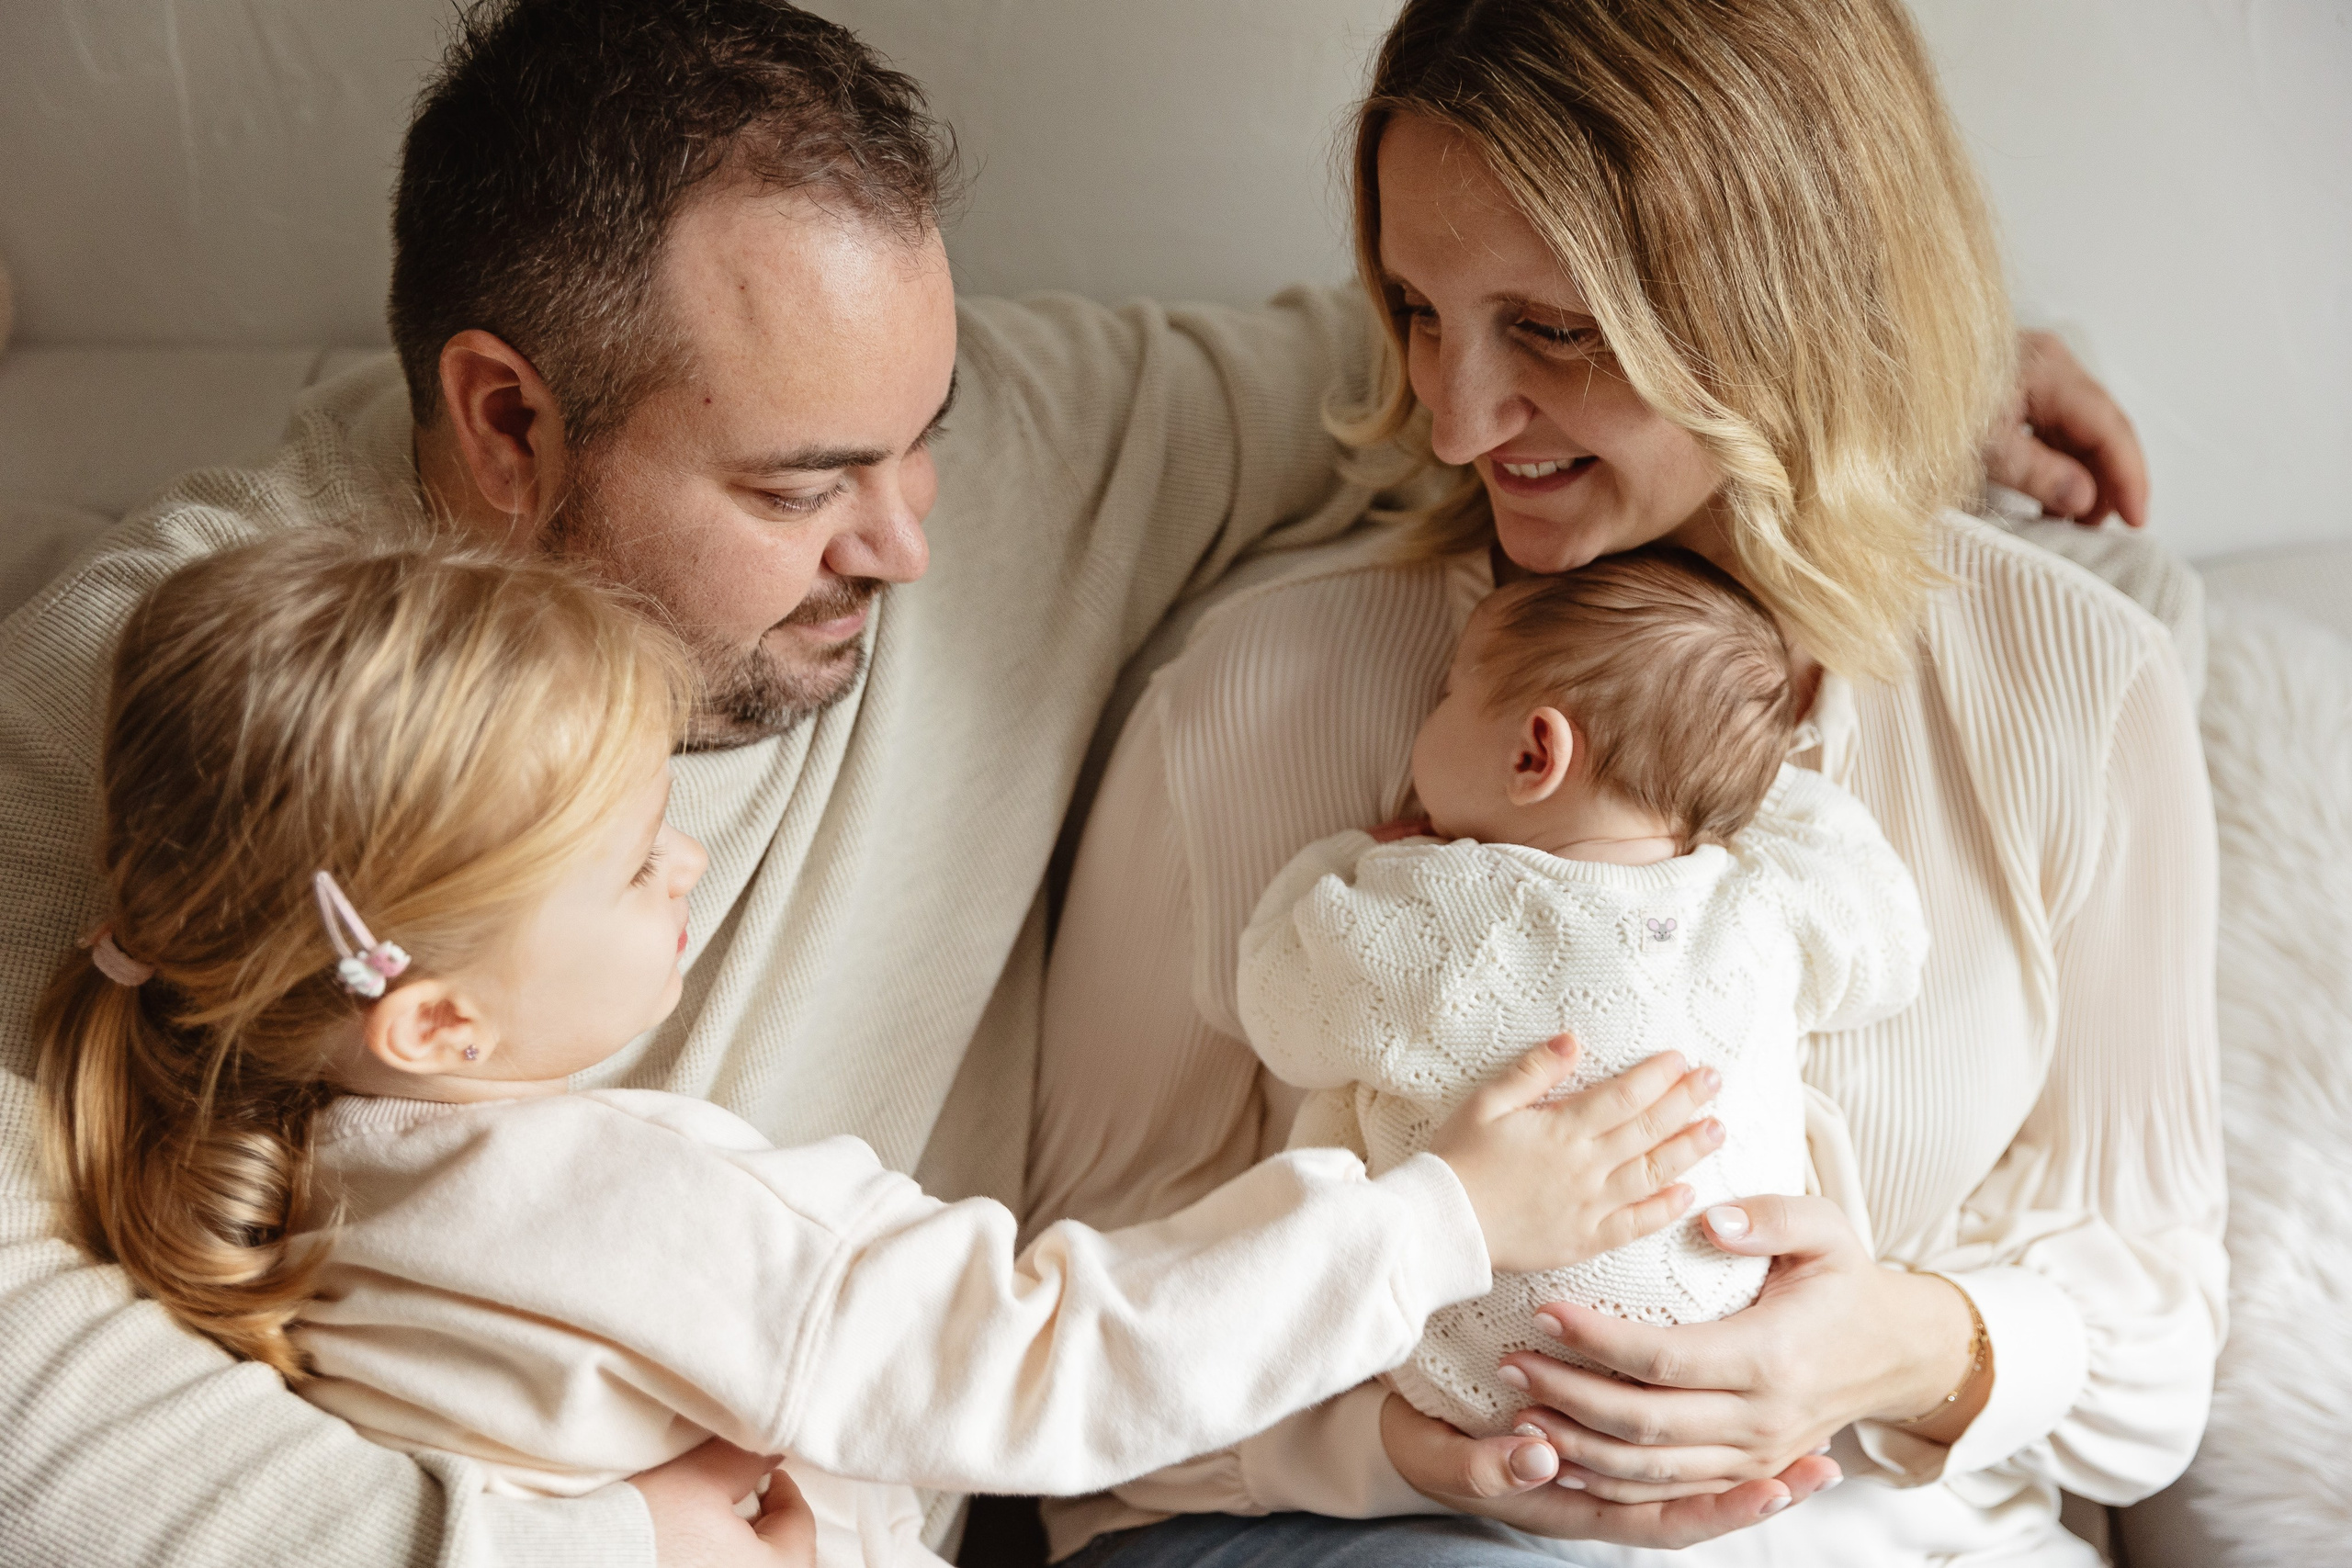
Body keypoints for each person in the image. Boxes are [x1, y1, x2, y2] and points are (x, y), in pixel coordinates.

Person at [0, 1, 2157, 1562]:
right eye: (802, 479)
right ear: (502, 424)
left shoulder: (1019, 453)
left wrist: (1907, 357)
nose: (911, 540)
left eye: (925, 425)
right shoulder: (172, 690)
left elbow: (1457, 346)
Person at [1031, 0, 2221, 1563]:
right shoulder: (1257, 699)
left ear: (1785, 302)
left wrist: (1901, 1345)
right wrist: (1415, 1448)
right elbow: (1063, 1336)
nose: (1457, 417)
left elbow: (2155, 1346)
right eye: (1415, 306)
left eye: (1555, 329)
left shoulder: (2073, 692)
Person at [37, 533, 1725, 1568]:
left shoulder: (256, 1172)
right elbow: (1045, 1354)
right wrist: (1448, 1215)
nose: (688, 859)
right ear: (438, 1020)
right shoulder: (626, 1198)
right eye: (638, 856)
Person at [1235, 550, 1928, 1438]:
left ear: (1534, 753)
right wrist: (1736, 773)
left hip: (1476, 1385)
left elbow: (1276, 1003)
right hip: (1733, 1372)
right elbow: (1891, 944)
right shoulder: (1759, 900)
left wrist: (1338, 863)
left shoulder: (1442, 916)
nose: (1430, 716)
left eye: (1447, 696)